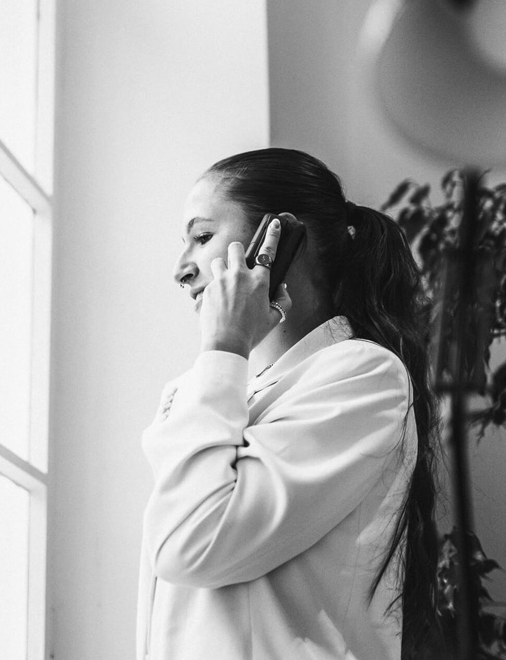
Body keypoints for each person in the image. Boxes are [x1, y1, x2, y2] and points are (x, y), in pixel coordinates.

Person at [136, 148, 441, 660]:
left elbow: (190, 546)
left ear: (277, 240)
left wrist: (225, 347)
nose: (180, 270)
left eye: (203, 236)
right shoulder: (206, 389)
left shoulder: (364, 375)